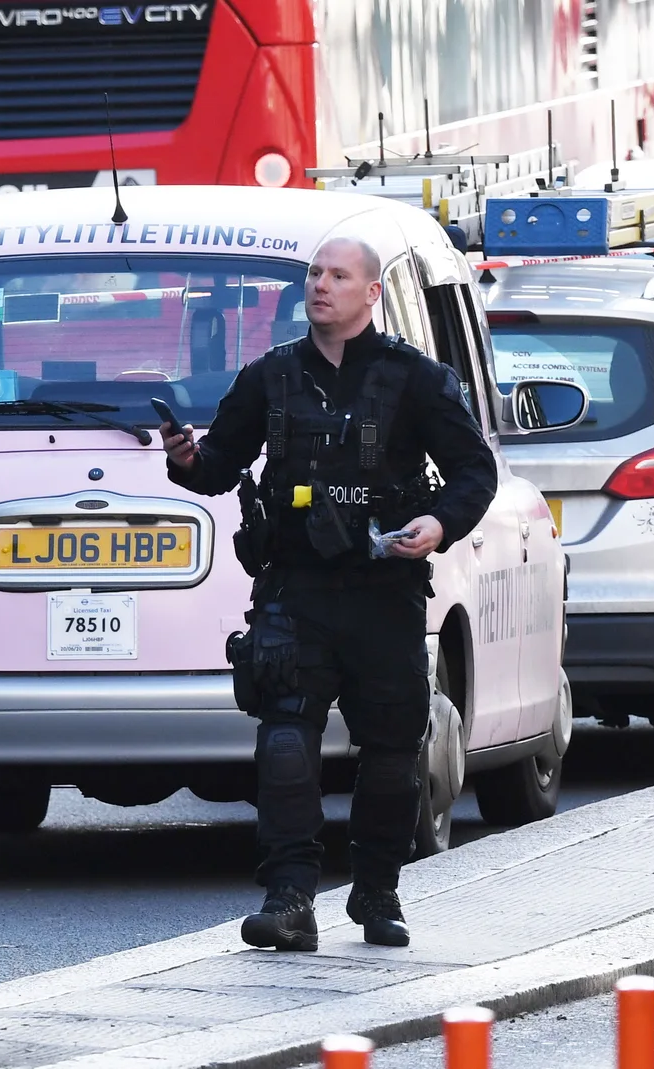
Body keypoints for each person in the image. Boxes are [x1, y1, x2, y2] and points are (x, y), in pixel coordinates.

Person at [160, 236, 497, 951]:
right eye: (315, 273)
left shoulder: (416, 379)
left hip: (385, 591)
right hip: (296, 587)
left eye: (338, 275)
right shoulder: (271, 377)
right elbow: (220, 464)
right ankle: (289, 897)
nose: (320, 285)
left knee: (391, 749)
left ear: (371, 292)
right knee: (284, 739)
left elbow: (474, 470)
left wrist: (438, 523)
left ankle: (377, 889)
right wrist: (187, 461)